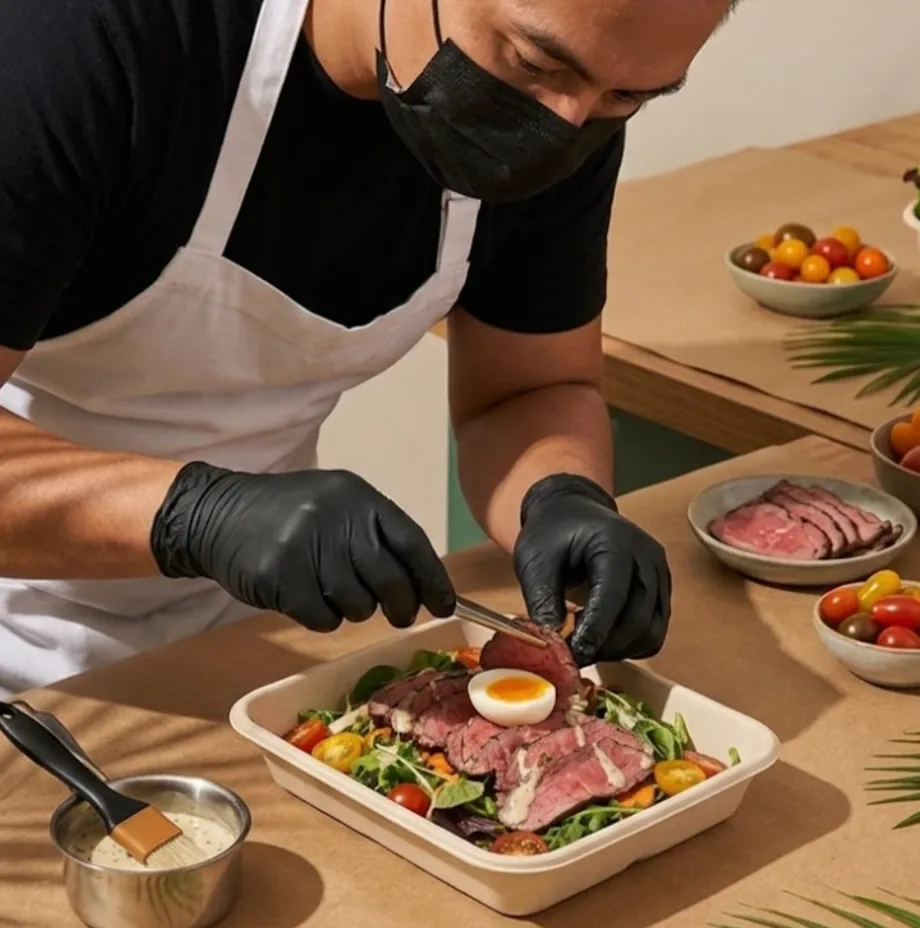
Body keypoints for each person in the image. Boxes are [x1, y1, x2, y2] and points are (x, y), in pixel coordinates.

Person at [0, 0, 733, 697]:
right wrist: (197, 513)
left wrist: (560, 497)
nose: (564, 123)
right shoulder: (89, 46)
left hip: (243, 639)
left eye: (628, 98)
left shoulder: (565, 112)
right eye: (533, 61)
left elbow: (526, 390)